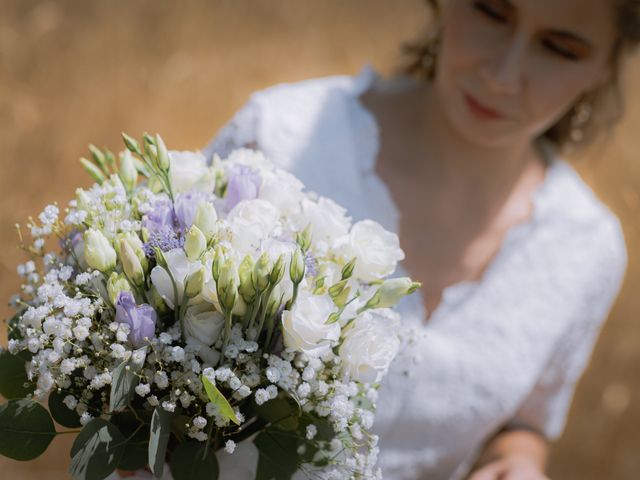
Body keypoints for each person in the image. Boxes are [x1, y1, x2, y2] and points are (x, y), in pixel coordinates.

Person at [203, 0, 633, 478]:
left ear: (606, 64)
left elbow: (522, 421)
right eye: (491, 13)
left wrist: (519, 459)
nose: (503, 75)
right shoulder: (278, 140)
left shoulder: (586, 248)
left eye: (559, 48)